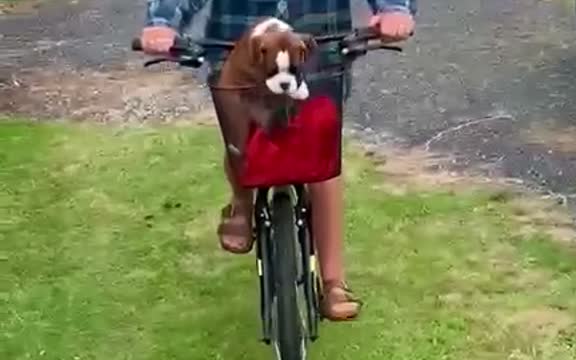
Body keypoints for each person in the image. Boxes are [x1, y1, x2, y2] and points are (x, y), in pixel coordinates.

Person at [139, 0, 416, 321]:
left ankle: (333, 282)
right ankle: (241, 204)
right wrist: (162, 23)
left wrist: (395, 9)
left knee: (320, 152)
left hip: (319, 50)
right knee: (240, 141)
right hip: (235, 49)